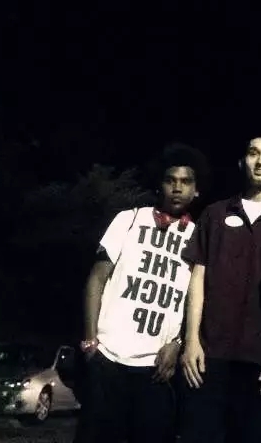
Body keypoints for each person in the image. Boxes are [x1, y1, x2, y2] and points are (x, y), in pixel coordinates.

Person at [74, 142, 209, 443]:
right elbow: (96, 279)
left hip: (156, 367)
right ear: (160, 185)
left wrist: (178, 344)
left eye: (185, 182)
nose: (177, 188)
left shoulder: (199, 236)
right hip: (107, 358)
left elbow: (196, 299)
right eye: (170, 180)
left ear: (196, 190)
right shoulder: (130, 219)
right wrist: (90, 343)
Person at [180, 135, 261, 443]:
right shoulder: (214, 214)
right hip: (208, 356)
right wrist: (191, 341)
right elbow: (197, 278)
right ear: (242, 162)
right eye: (254, 153)